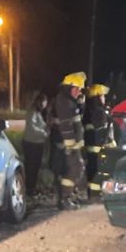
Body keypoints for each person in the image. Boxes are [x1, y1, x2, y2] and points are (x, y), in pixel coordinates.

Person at [49, 72, 88, 210]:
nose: (79, 92)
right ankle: (65, 199)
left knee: (70, 170)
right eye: (76, 89)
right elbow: (66, 125)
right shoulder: (63, 102)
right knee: (74, 170)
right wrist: (71, 146)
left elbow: (77, 121)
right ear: (68, 88)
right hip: (67, 145)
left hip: (70, 145)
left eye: (80, 90)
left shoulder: (69, 101)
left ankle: (66, 197)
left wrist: (81, 104)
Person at [83, 84, 115, 194]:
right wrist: (111, 144)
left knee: (91, 169)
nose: (104, 98)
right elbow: (104, 130)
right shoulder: (99, 111)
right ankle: (97, 194)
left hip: (91, 146)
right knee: (100, 170)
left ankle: (91, 193)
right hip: (100, 146)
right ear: (97, 97)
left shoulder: (89, 109)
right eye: (102, 96)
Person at [23, 93, 49, 196]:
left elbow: (41, 125)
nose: (45, 104)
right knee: (31, 167)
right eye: (45, 102)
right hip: (31, 143)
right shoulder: (32, 111)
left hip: (37, 143)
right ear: (41, 102)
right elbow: (32, 127)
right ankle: (29, 189)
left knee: (35, 167)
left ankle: (32, 188)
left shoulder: (38, 112)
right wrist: (44, 133)